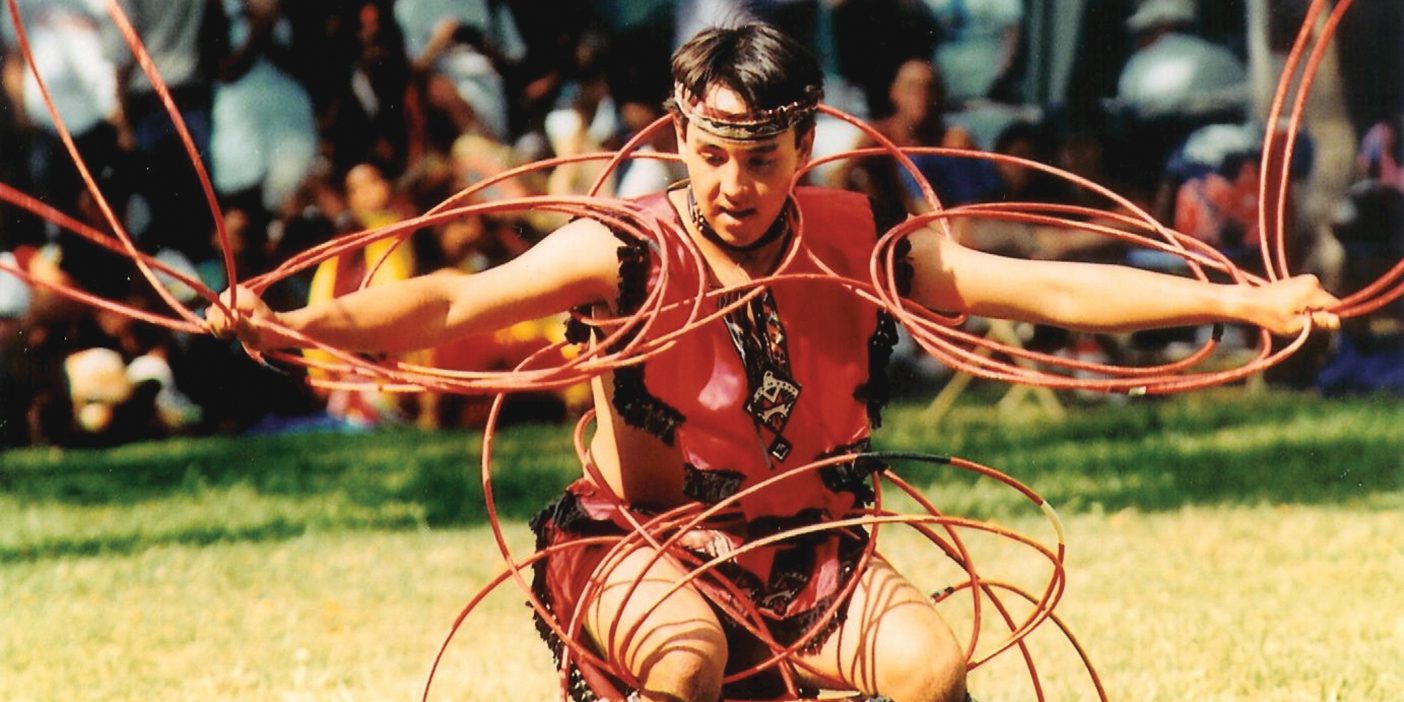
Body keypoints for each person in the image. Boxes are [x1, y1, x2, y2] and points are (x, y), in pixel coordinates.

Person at [209, 24, 1340, 702]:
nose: (734, 185)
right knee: (689, 659)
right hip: (641, 545)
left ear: (804, 145)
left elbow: (1033, 285)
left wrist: (1241, 297)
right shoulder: (624, 243)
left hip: (810, 554)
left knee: (930, 668)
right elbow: (457, 296)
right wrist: (299, 327)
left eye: (760, 158)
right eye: (711, 155)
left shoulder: (857, 237)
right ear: (679, 141)